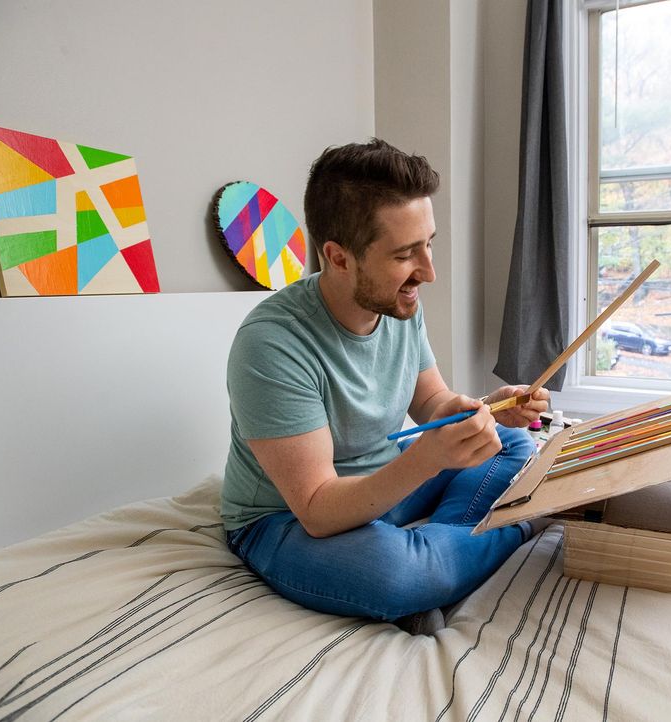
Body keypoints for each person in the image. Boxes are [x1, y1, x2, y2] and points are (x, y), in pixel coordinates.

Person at [221, 138, 550, 634]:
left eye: (429, 243)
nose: (429, 271)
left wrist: (483, 409)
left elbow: (432, 402)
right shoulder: (271, 345)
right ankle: (504, 532)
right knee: (394, 575)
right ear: (339, 257)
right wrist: (429, 458)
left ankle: (446, 551)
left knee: (512, 443)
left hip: (386, 484)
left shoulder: (395, 302)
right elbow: (316, 510)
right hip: (286, 518)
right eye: (405, 254)